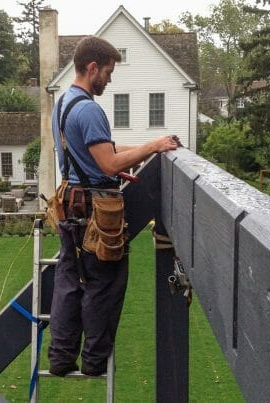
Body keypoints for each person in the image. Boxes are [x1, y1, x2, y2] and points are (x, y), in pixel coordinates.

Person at [48, 35, 179, 377]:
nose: (109, 79)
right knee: (102, 284)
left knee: (68, 282)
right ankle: (93, 362)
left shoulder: (64, 104)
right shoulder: (90, 109)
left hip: (70, 204)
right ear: (92, 68)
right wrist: (153, 146)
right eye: (107, 71)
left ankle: (60, 359)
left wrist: (146, 147)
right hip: (96, 211)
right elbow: (108, 165)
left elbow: (101, 147)